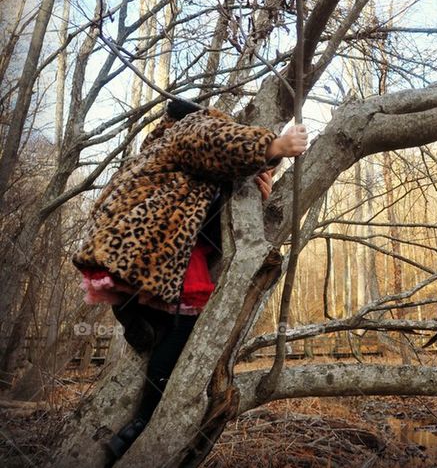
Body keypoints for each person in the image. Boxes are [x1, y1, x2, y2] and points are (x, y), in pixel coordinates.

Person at [71, 98, 308, 457]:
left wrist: (257, 193)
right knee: (181, 330)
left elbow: (214, 216)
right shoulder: (191, 126)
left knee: (167, 327)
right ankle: (140, 423)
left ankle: (135, 316)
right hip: (154, 249)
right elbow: (215, 142)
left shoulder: (162, 155)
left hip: (138, 249)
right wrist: (274, 146)